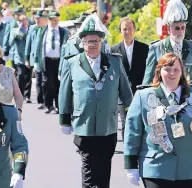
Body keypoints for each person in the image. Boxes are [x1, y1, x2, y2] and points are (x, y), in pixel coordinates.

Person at [123, 53, 192, 188]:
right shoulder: (143, 97)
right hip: (155, 168)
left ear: (182, 72)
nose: (172, 73)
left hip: (189, 168)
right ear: (159, 71)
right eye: (167, 69)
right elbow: (133, 132)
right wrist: (131, 165)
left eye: (176, 69)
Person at [58, 15, 133, 188]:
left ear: (101, 43)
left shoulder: (114, 62)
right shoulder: (72, 63)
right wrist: (64, 119)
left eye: (96, 41)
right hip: (84, 124)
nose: (92, 45)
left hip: (108, 125)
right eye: (88, 41)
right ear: (82, 43)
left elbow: (126, 93)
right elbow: (65, 94)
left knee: (104, 167)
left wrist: (131, 116)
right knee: (89, 169)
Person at [141, 0, 192, 90]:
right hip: (164, 98)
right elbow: (148, 79)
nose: (180, 31)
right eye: (177, 28)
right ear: (169, 29)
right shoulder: (156, 48)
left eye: (183, 28)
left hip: (186, 96)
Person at [111, 17, 149, 139]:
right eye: (124, 29)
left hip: (140, 92)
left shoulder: (144, 49)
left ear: (134, 30)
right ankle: (128, 150)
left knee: (140, 122)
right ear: (120, 31)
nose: (127, 32)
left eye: (130, 29)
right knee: (125, 122)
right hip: (122, 94)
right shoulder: (114, 50)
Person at [34, 10, 69, 114]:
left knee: (58, 83)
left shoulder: (63, 32)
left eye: (57, 20)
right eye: (53, 20)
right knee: (47, 83)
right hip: (47, 60)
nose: (56, 22)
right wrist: (36, 61)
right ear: (49, 20)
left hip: (59, 61)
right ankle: (49, 105)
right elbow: (38, 47)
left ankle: (59, 106)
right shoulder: (43, 31)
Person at [58, 13, 110, 80]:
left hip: (97, 78)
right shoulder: (70, 43)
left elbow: (106, 59)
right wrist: (61, 73)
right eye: (78, 26)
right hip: (76, 79)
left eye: (82, 26)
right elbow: (65, 61)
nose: (80, 28)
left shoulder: (100, 41)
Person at [3, 15, 32, 103]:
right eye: (20, 20)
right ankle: (20, 94)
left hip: (29, 56)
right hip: (18, 56)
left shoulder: (31, 30)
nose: (22, 22)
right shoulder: (16, 30)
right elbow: (10, 41)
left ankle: (27, 96)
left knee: (28, 76)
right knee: (20, 75)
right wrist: (18, 31)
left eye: (24, 20)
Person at [24, 10, 48, 109]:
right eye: (36, 19)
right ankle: (41, 101)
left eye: (39, 19)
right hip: (36, 58)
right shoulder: (32, 28)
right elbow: (28, 44)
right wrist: (27, 58)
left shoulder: (47, 29)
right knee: (38, 80)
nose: (37, 21)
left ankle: (47, 100)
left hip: (46, 59)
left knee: (46, 81)